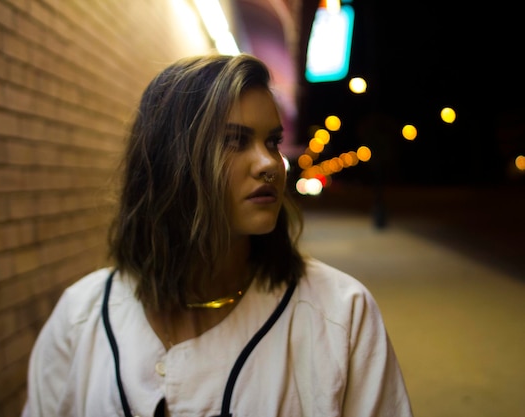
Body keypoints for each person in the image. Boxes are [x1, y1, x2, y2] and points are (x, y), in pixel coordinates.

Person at [21, 53, 414, 417]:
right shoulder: (82, 315)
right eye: (234, 141)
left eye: (272, 142)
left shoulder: (340, 314)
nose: (269, 164)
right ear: (171, 162)